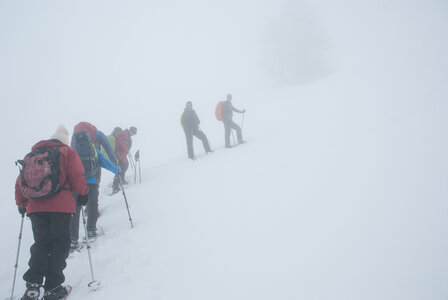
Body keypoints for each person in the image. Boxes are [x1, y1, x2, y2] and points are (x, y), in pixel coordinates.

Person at [15, 125, 89, 300]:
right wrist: (83, 194)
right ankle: (54, 286)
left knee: (41, 244)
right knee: (59, 244)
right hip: (61, 207)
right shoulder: (67, 152)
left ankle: (32, 286)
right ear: (64, 140)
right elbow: (77, 175)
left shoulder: (33, 155)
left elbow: (20, 181)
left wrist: (21, 203)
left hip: (36, 207)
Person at [70, 146, 120, 249]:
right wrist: (116, 170)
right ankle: (91, 232)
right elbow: (105, 162)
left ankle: (73, 239)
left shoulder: (73, 151)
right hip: (92, 183)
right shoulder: (94, 150)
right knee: (92, 206)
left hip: (77, 184)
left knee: (76, 210)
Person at [112, 126, 137, 194]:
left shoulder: (127, 135)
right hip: (118, 154)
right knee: (120, 168)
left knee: (125, 165)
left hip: (121, 154)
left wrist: (126, 150)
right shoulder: (124, 133)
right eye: (133, 133)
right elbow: (120, 142)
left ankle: (121, 180)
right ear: (131, 131)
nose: (133, 134)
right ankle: (115, 187)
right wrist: (126, 149)